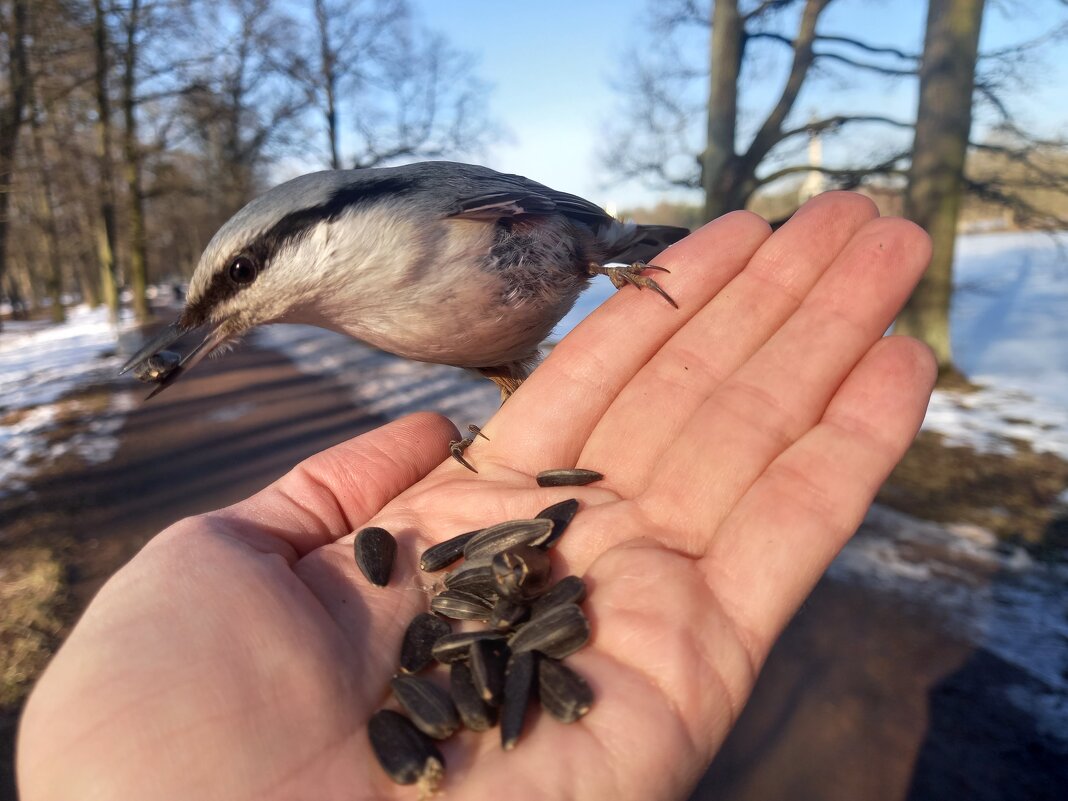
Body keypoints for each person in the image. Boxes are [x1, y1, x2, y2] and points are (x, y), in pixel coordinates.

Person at [16, 193, 935, 800]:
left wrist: (604, 256)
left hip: (587, 251)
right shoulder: (367, 310)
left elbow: (561, 217)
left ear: (317, 226)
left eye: (245, 280)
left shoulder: (424, 209)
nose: (227, 313)